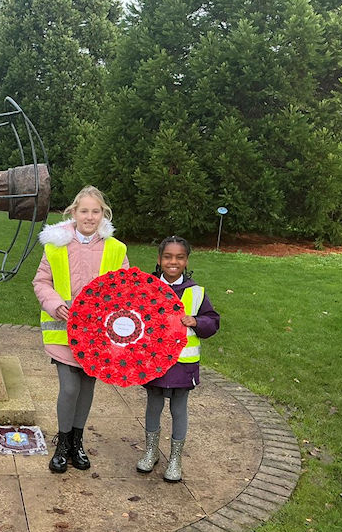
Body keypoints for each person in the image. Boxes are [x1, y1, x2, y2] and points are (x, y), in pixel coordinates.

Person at [33, 186, 129, 473]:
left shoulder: (116, 249)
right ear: (73, 212)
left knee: (87, 388)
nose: (89, 216)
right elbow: (42, 282)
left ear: (103, 215)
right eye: (84, 211)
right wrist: (53, 304)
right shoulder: (56, 246)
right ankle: (62, 443)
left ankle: (77, 442)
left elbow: (124, 287)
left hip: (97, 335)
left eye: (95, 211)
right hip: (63, 331)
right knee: (70, 387)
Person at [135, 236, 220, 482]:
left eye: (179, 257)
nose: (173, 262)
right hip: (153, 362)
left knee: (178, 408)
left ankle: (175, 458)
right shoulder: (148, 288)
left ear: (186, 261)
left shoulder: (196, 292)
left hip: (183, 364)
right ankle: (150, 451)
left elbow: (212, 321)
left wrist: (196, 321)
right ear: (159, 260)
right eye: (168, 257)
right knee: (153, 404)